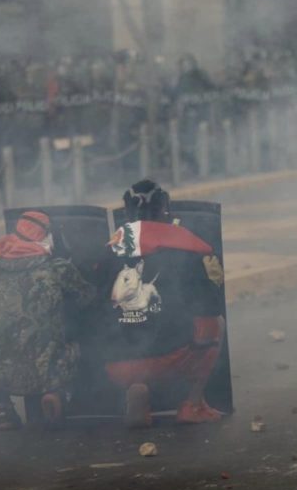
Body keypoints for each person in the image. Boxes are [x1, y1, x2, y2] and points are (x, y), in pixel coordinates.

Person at [96, 179, 226, 428]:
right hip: (168, 360)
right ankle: (193, 405)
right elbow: (209, 306)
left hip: (113, 365)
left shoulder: (109, 252)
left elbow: (93, 308)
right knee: (215, 323)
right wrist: (214, 281)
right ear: (164, 209)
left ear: (127, 212)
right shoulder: (185, 249)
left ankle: (136, 388)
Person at [0, 210, 97, 430]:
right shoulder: (57, 268)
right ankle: (62, 393)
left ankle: (4, 408)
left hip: (2, 374)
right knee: (83, 327)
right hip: (49, 371)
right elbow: (87, 299)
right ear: (45, 236)